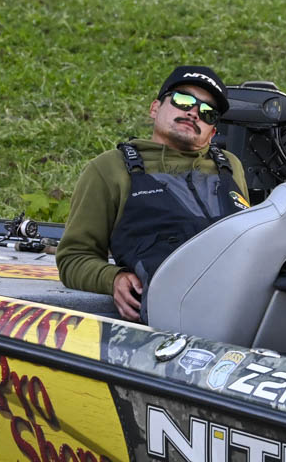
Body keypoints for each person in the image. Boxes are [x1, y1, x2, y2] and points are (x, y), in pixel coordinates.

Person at [56, 66, 250, 321]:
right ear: (155, 108)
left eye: (208, 113)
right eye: (183, 100)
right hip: (169, 314)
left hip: (243, 304)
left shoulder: (230, 166)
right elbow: (73, 258)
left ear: (213, 132)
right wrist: (113, 279)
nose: (193, 113)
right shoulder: (109, 168)